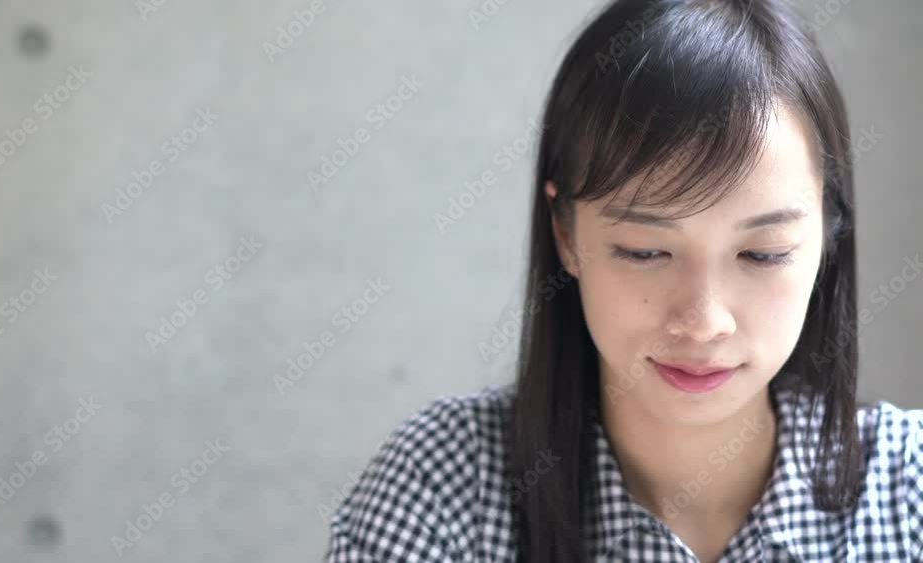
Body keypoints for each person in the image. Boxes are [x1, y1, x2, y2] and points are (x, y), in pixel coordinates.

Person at [324, 0, 923, 561]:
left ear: (826, 237)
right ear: (565, 234)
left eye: (763, 254)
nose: (704, 319)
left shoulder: (908, 489)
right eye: (644, 251)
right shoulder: (443, 491)